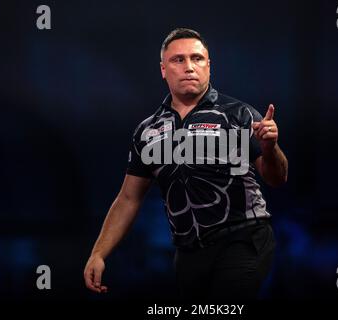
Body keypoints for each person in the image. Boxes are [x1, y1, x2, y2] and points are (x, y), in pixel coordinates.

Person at [84, 28, 288, 300]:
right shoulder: (148, 131)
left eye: (197, 58)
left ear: (209, 66)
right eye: (178, 60)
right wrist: (98, 253)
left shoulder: (238, 114)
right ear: (163, 70)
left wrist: (270, 147)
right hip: (188, 252)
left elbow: (277, 178)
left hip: (243, 239)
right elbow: (128, 198)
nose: (189, 67)